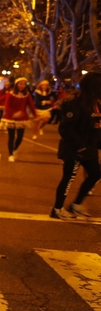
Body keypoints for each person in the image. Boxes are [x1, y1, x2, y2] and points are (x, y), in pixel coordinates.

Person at [50, 72, 101, 220]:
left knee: (96, 174)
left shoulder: (95, 104)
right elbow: (66, 128)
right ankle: (57, 209)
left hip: (89, 148)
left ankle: (76, 204)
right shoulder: (75, 103)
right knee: (68, 178)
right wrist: (80, 147)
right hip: (75, 149)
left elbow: (95, 127)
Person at [0, 77, 37, 162]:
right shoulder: (10, 94)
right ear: (17, 84)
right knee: (11, 137)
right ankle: (10, 154)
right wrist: (14, 114)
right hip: (10, 117)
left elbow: (31, 105)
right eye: (20, 84)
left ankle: (14, 149)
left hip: (22, 118)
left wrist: (35, 115)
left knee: (20, 137)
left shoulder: (27, 94)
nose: (22, 86)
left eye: (24, 84)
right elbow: (7, 106)